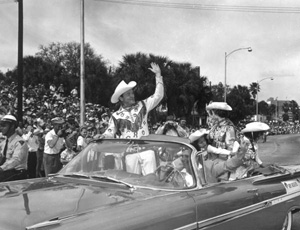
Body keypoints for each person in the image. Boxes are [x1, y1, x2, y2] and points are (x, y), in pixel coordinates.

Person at [101, 62, 164, 139]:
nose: (132, 96)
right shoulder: (115, 116)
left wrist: (158, 76)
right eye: (128, 94)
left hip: (145, 149)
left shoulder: (143, 105)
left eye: (132, 93)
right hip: (127, 150)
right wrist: (102, 136)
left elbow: (158, 95)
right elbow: (109, 133)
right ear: (121, 98)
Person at [0, 114, 29, 182]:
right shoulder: (3, 143)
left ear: (12, 126)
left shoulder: (20, 142)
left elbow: (16, 160)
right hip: (6, 172)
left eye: (4, 126)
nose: (1, 128)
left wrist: (1, 168)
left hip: (17, 173)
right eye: (1, 125)